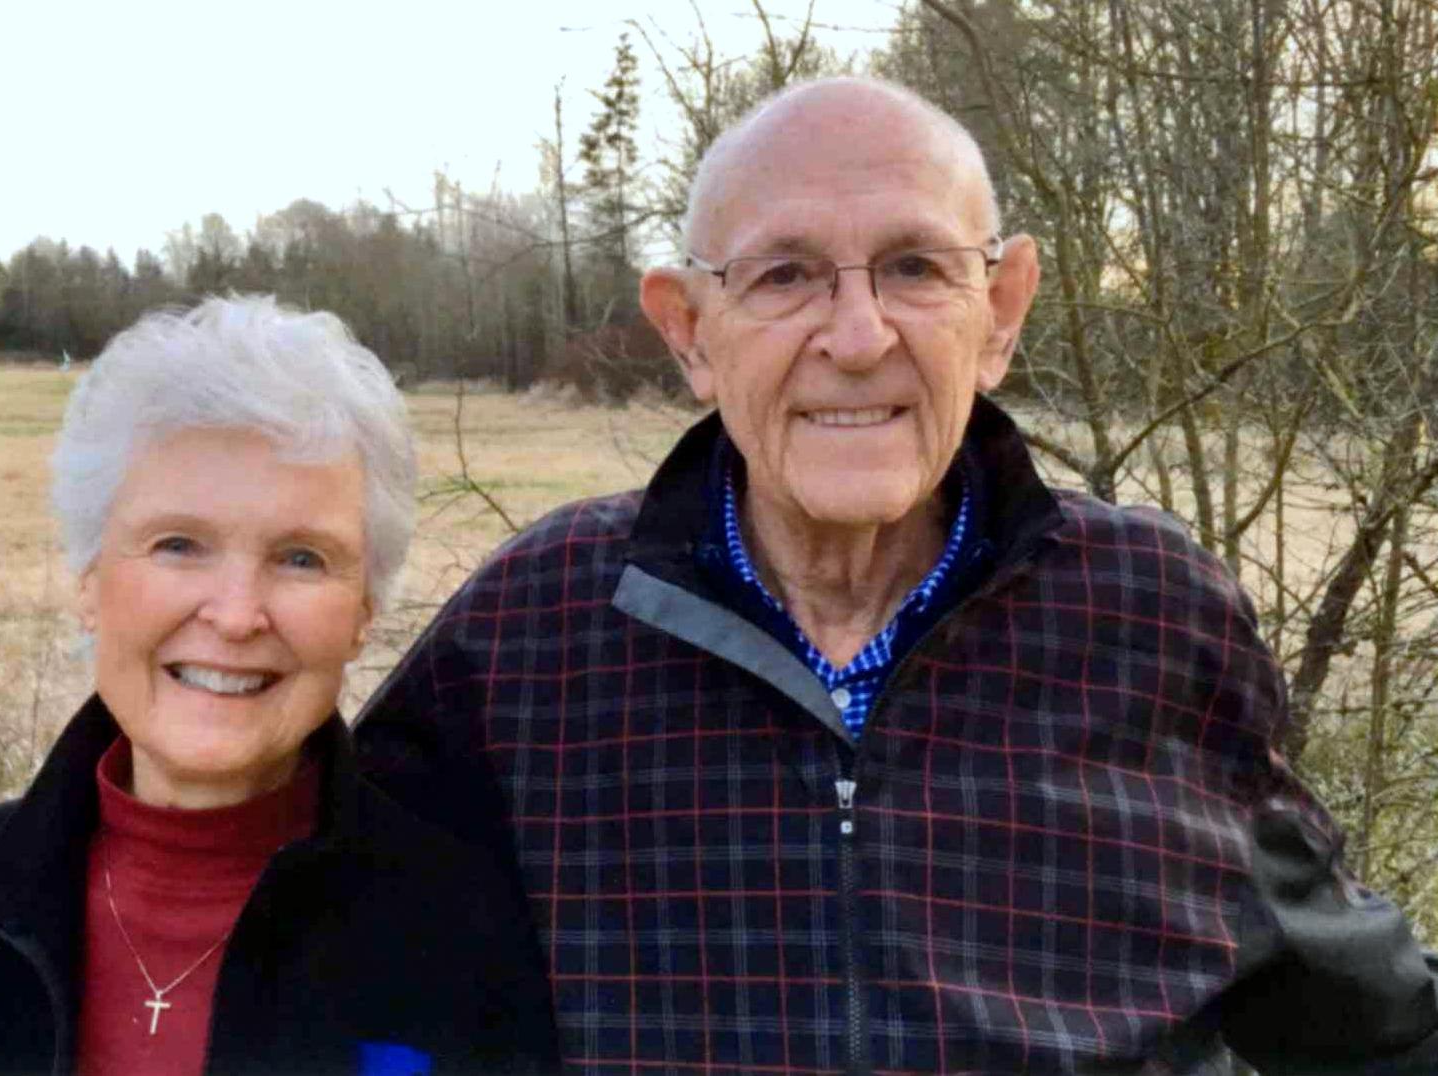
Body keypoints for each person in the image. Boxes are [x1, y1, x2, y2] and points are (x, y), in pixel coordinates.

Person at [355, 78, 1438, 1074]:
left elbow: (1367, 1024)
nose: (859, 336)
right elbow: (317, 958)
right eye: (784, 275)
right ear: (687, 330)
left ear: (999, 309)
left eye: (915, 267)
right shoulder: (534, 629)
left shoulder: (1150, 616)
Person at [0, 296, 558, 1075]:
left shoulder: (465, 933)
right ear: (91, 581)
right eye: (179, 545)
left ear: (363, 610)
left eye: (301, 558)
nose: (234, 616)